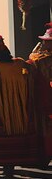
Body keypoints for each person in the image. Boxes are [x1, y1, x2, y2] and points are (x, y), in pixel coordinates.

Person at [0, 33, 40, 176]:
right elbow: (32, 73)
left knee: (3, 135)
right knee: (14, 134)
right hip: (18, 106)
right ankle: (13, 163)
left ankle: (6, 165)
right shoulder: (20, 64)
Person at [28, 23, 52, 165]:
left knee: (44, 129)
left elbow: (29, 67)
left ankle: (44, 156)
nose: (43, 44)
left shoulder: (39, 60)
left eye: (46, 41)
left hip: (44, 99)